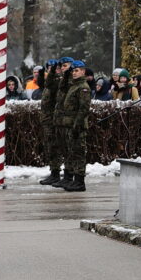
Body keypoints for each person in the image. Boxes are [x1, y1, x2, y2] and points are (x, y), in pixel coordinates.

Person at [59, 60, 92, 192]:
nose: (74, 73)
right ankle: (74, 180)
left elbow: (83, 108)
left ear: (83, 71)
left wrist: (77, 125)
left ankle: (79, 182)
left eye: (76, 70)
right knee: (72, 153)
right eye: (73, 71)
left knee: (79, 153)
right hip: (70, 125)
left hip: (77, 126)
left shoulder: (83, 87)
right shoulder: (74, 85)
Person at [50, 57, 75, 187]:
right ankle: (65, 176)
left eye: (65, 66)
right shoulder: (63, 80)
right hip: (60, 119)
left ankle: (69, 176)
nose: (63, 68)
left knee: (69, 150)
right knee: (63, 149)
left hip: (68, 121)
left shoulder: (72, 81)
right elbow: (49, 85)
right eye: (62, 66)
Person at [39, 59, 63, 185]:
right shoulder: (50, 82)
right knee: (50, 147)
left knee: (54, 147)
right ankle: (54, 172)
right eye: (48, 68)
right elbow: (45, 83)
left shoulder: (58, 82)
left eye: (53, 68)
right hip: (47, 119)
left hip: (53, 120)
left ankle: (56, 173)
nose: (50, 71)